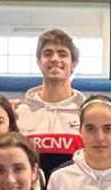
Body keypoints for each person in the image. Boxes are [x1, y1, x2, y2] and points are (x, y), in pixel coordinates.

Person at [17, 28, 86, 181]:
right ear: (38, 62)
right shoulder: (20, 113)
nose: (55, 59)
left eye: (62, 54)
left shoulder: (86, 113)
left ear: (73, 63)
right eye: (48, 53)